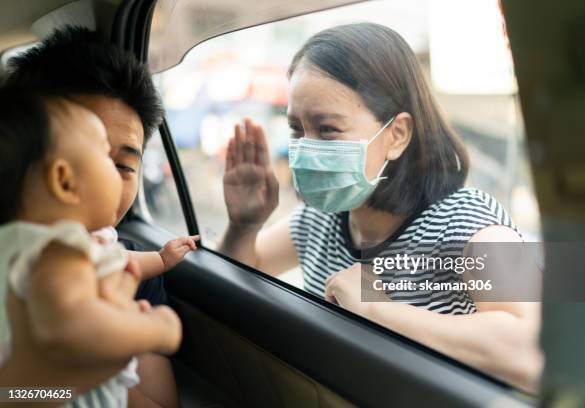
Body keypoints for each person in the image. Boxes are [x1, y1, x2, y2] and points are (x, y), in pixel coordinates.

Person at [220, 23, 542, 391]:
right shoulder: (320, 219)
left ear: (396, 135)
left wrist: (376, 310)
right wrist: (244, 224)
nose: (307, 150)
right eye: (296, 129)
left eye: (327, 129)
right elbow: (244, 271)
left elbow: (532, 349)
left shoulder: (468, 223)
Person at [4, 26, 182, 407]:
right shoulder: (59, 250)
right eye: (100, 156)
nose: (117, 186)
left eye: (125, 166)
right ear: (62, 177)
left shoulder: (130, 268)